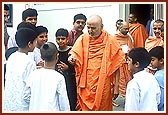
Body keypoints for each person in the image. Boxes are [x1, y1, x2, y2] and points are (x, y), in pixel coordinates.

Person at [68, 15, 125, 111]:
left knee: (102, 107)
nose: (90, 30)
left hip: (103, 82)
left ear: (101, 27)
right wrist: (72, 59)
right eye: (88, 28)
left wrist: (116, 87)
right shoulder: (83, 38)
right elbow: (74, 54)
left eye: (93, 28)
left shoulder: (110, 40)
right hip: (86, 83)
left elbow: (117, 64)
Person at [23, 42, 70, 111]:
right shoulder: (59, 78)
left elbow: (26, 96)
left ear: (41, 57)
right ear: (57, 56)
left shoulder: (33, 74)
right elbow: (63, 102)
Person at [3, 27, 37, 111]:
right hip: (22, 106)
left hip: (8, 102)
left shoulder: (12, 57)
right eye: (35, 42)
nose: (36, 45)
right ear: (29, 44)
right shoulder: (30, 62)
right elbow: (29, 88)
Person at [55, 28, 77, 111]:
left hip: (70, 81)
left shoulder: (72, 51)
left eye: (63, 39)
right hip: (58, 79)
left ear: (67, 39)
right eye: (58, 39)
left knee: (70, 99)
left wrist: (68, 68)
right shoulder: (55, 51)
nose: (60, 41)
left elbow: (77, 67)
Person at [113, 21, 133, 100]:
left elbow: (131, 47)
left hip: (127, 62)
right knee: (121, 81)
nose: (127, 30)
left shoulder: (129, 37)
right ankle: (126, 98)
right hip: (119, 63)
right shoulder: (114, 38)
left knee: (128, 80)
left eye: (128, 29)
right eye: (125, 29)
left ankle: (128, 98)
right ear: (120, 28)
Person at [149, 46, 164, 111]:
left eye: (153, 60)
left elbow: (161, 99)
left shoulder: (158, 76)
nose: (150, 63)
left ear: (161, 61)